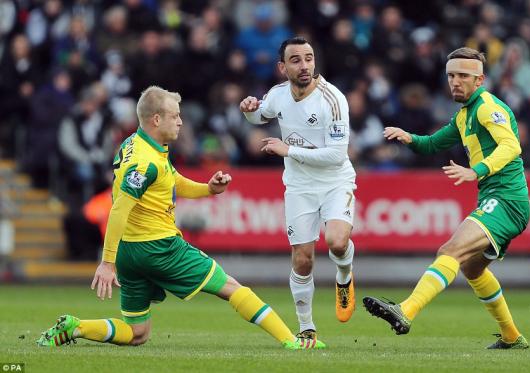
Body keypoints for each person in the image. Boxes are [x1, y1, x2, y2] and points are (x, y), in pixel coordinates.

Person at [36, 86, 322, 350]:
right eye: (175, 116)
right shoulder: (145, 161)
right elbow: (119, 208)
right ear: (156, 119)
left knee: (138, 333)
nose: (181, 122)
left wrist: (208, 189)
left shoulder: (137, 144)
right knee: (232, 288)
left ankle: (76, 327)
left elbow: (172, 180)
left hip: (130, 253)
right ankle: (292, 341)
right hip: (160, 247)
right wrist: (106, 263)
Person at [363, 47, 530, 350]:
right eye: (451, 75)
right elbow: (431, 144)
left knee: (450, 249)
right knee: (472, 268)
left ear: (480, 79)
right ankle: (511, 336)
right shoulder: (464, 115)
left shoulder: (487, 107)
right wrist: (409, 137)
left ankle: (406, 310)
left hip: (507, 199)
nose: (455, 81)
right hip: (496, 198)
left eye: (463, 76)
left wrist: (475, 170)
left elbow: (511, 146)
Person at [239, 36, 357, 345]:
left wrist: (287, 150)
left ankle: (344, 276)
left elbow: (336, 155)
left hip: (334, 181)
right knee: (302, 259)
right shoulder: (278, 95)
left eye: (308, 58)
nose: (304, 65)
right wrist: (249, 109)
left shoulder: (333, 99)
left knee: (337, 242)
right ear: (282, 67)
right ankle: (307, 327)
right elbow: (259, 115)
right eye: (296, 60)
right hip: (299, 186)